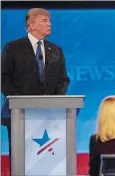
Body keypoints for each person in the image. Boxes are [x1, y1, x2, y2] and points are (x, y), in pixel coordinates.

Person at [1, 8, 70, 173]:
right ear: (31, 25)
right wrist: (20, 103)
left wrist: (55, 102)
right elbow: (3, 78)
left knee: (49, 164)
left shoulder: (56, 50)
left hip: (50, 117)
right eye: (45, 21)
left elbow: (63, 79)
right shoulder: (13, 48)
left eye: (49, 21)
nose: (50, 24)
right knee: (22, 164)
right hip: (21, 116)